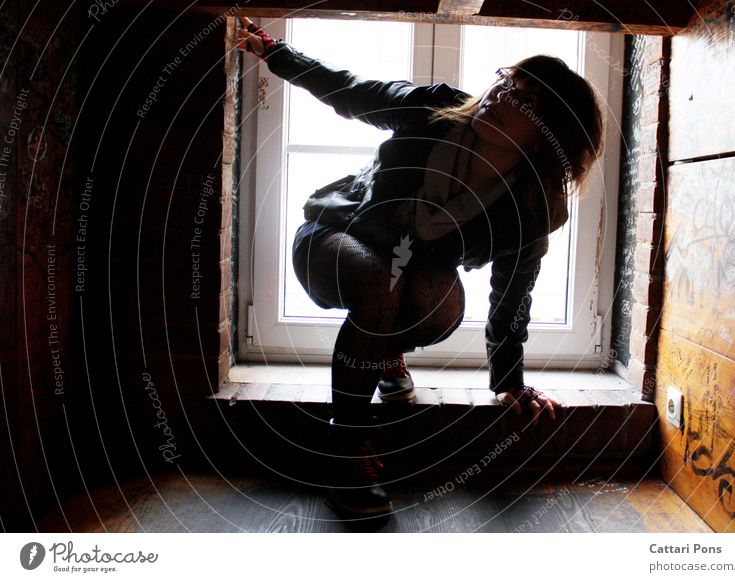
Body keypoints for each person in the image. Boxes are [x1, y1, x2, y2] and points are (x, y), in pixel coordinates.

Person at [234, 17, 604, 519]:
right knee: (377, 279)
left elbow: (512, 293)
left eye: (526, 101)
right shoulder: (435, 107)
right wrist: (275, 52)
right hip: (334, 242)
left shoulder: (531, 206)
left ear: (547, 137)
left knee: (442, 302)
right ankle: (346, 452)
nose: (500, 96)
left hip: (405, 277)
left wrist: (510, 380)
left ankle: (384, 350)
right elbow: (350, 89)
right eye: (507, 82)